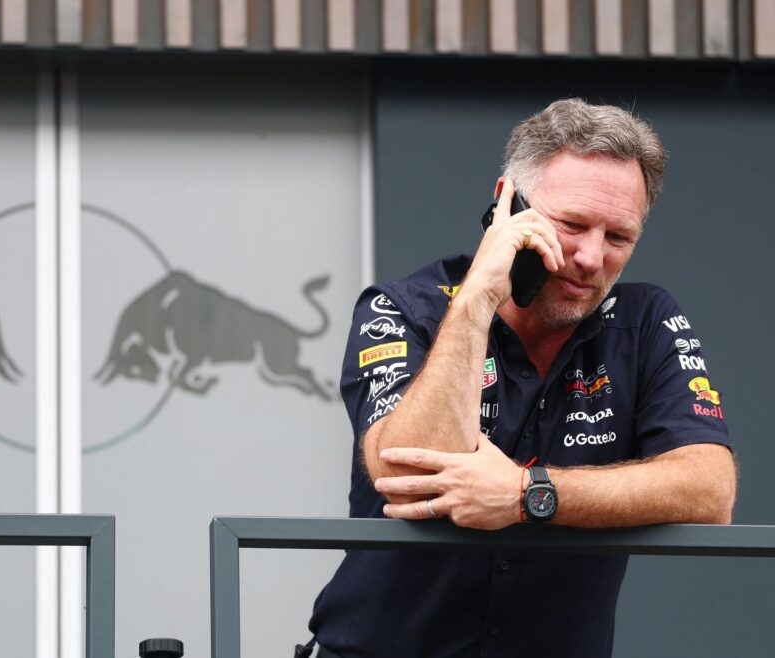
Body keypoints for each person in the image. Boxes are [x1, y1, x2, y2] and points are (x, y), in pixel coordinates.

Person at [305, 99, 737, 658]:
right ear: (508, 205)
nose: (591, 257)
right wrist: (479, 298)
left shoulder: (645, 321)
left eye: (618, 237)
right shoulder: (401, 309)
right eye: (572, 225)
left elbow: (709, 489)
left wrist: (528, 494)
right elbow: (405, 473)